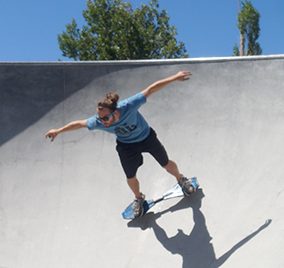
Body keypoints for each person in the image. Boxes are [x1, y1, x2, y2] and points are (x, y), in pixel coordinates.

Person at [45, 71, 195, 217]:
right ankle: (138, 198)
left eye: (105, 118)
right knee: (130, 176)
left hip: (147, 138)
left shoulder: (129, 105)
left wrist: (175, 77)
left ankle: (180, 179)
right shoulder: (98, 121)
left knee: (165, 163)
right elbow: (79, 124)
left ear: (115, 113)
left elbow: (151, 89)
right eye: (100, 118)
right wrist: (58, 130)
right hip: (126, 146)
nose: (102, 122)